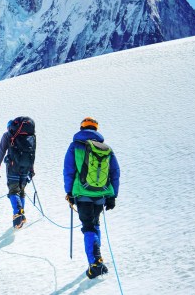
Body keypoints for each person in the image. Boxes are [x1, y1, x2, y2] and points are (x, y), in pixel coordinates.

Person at [64, 117, 120, 279]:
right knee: (95, 224)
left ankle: (95, 263)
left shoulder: (75, 146)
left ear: (81, 128)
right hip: (101, 194)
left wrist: (69, 192)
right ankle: (97, 258)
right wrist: (112, 195)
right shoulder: (106, 149)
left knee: (88, 226)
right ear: (96, 129)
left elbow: (68, 170)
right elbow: (115, 173)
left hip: (82, 194)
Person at [0, 117, 36, 229]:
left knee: (13, 190)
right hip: (26, 166)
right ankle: (22, 216)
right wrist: (31, 169)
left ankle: (17, 214)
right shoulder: (30, 136)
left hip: (13, 166)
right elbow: (32, 152)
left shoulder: (8, 135)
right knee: (21, 190)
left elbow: (2, 151)